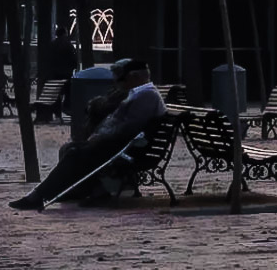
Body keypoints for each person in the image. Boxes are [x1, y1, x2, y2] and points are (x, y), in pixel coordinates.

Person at [10, 59, 166, 210]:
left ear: (135, 77)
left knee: (75, 154)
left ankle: (39, 195)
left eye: (125, 79)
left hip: (127, 149)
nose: (122, 83)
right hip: (118, 145)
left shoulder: (147, 96)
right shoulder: (139, 93)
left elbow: (128, 127)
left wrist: (101, 137)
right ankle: (67, 191)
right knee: (73, 149)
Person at [47, 26, 78, 118]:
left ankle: (57, 112)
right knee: (69, 91)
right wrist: (73, 68)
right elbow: (74, 59)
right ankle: (66, 106)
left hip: (54, 74)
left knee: (56, 93)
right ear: (64, 34)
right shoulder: (68, 45)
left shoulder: (52, 44)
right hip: (66, 73)